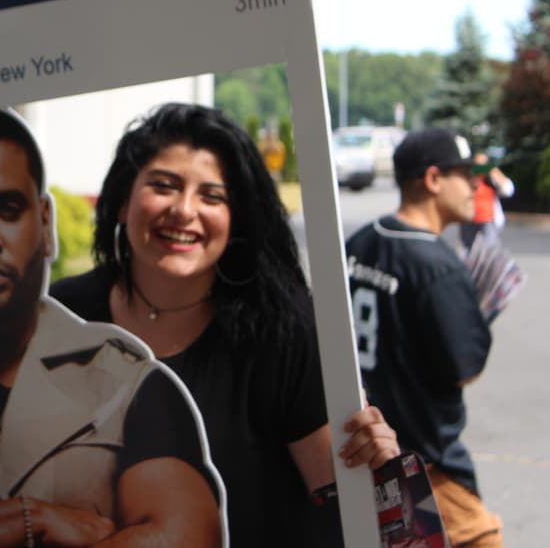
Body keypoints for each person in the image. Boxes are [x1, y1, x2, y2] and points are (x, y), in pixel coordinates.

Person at [51, 103, 399, 548]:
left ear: (236, 221)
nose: (183, 210)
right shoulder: (63, 313)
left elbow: (341, 500)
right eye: (164, 186)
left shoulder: (283, 331)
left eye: (211, 197)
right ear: (122, 201)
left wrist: (373, 465)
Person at [0, 109, 224, 547]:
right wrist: (31, 519)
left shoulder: (127, 384)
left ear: (45, 223)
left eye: (8, 208)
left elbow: (185, 536)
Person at [345, 129, 501, 548]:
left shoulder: (361, 239)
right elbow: (464, 368)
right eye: (465, 174)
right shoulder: (438, 266)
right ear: (433, 179)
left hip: (362, 456)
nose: (475, 185)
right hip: (426, 467)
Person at [458, 152, 515, 250]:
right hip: (469, 219)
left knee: (489, 248)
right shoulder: (467, 175)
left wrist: (494, 172)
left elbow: (508, 190)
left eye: (483, 163)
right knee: (467, 248)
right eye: (478, 163)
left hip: (487, 219)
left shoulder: (490, 178)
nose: (481, 166)